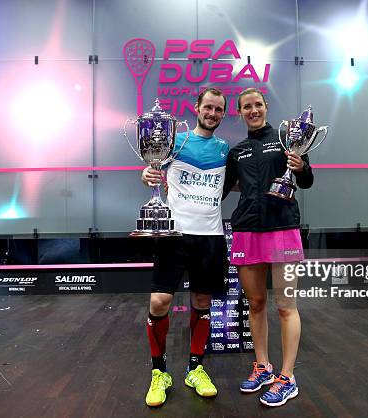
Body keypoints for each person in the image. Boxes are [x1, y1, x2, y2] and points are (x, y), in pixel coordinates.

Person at [223, 87, 313, 407]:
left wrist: (301, 167)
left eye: (257, 104)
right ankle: (262, 366)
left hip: (282, 229)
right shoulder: (237, 152)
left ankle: (287, 377)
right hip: (247, 231)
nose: (253, 110)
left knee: (285, 306)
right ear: (240, 112)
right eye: (246, 107)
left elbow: (306, 181)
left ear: (266, 107)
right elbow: (221, 190)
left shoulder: (287, 138)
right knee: (256, 303)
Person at [140, 88, 229, 407]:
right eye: (208, 107)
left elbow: (228, 186)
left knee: (202, 301)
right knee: (160, 301)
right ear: (197, 108)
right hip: (174, 235)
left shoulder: (224, 149)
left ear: (222, 113)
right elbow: (151, 170)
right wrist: (147, 172)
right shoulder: (176, 141)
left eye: (218, 109)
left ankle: (196, 368)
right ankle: (159, 372)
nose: (212, 113)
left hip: (211, 236)